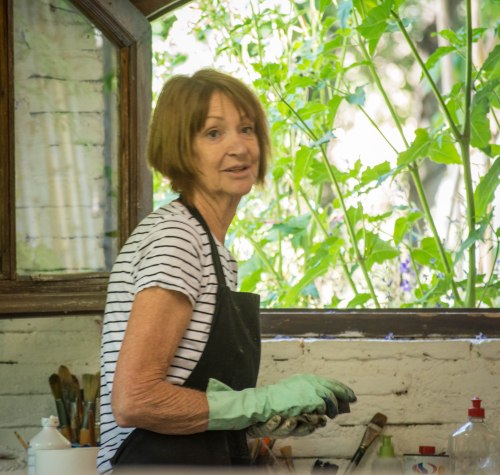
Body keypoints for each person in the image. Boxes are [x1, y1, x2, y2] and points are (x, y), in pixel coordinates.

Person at [97, 69, 356, 473]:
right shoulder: (177, 238)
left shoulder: (211, 249)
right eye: (214, 133)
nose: (239, 147)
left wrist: (251, 419)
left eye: (247, 129)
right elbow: (135, 401)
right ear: (180, 149)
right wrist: (260, 402)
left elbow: (189, 395)